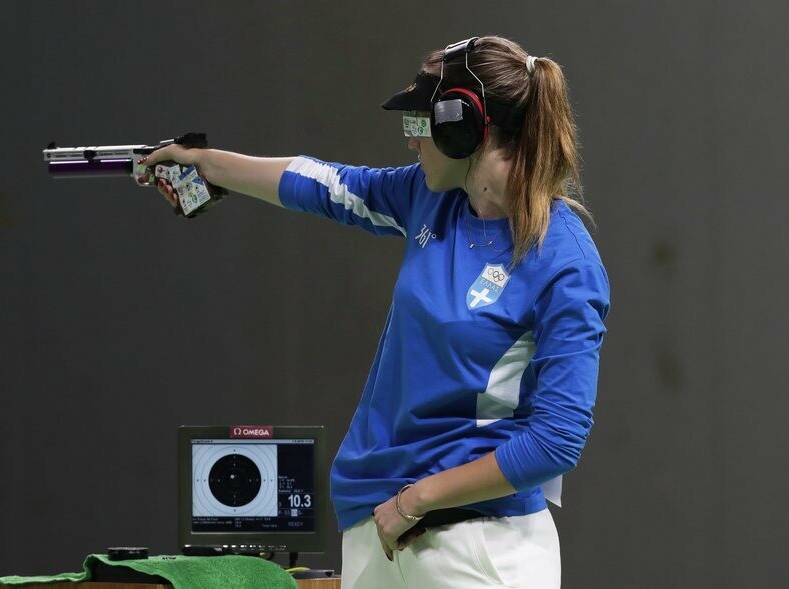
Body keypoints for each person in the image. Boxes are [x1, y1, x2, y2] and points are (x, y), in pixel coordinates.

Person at [142, 35, 610, 589]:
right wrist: (206, 165)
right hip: (378, 525)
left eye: (418, 123)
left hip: (479, 543)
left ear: (463, 126)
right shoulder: (432, 197)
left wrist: (417, 499)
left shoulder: (565, 261)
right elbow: (323, 185)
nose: (410, 141)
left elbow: (556, 440)